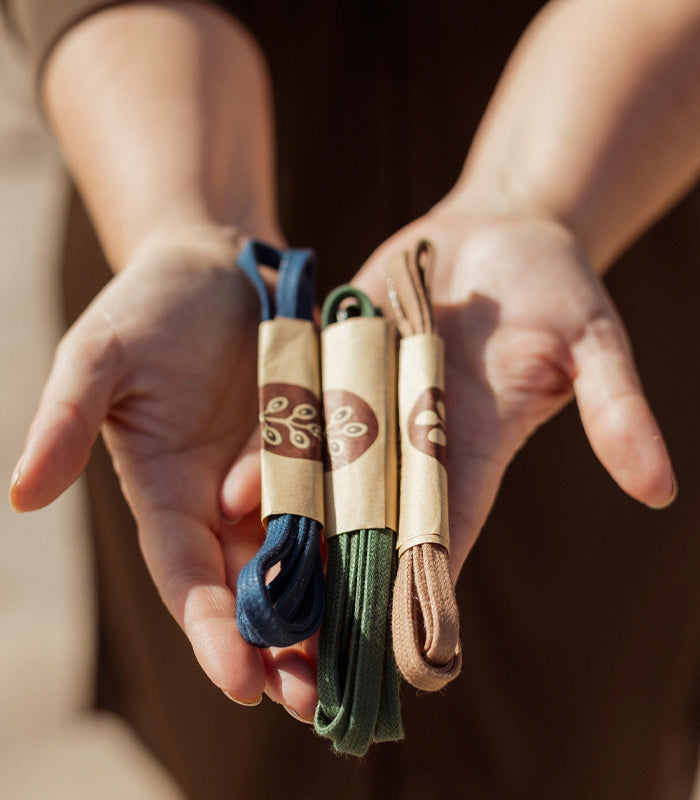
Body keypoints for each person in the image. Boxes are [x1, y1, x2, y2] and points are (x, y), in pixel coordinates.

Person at [4, 0, 700, 797]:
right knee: (246, 750)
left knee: (595, 731)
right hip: (204, 318)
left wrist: (535, 197)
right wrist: (184, 214)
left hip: (605, 214)